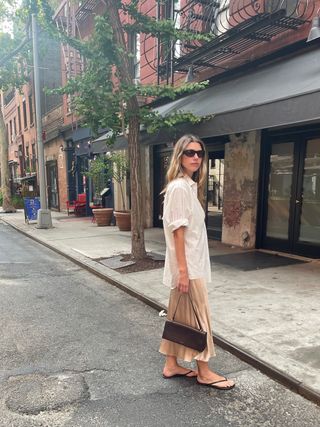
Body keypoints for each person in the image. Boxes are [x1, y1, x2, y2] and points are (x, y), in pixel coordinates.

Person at [159, 134, 235, 390]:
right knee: (201, 317)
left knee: (178, 316)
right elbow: (178, 232)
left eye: (199, 153)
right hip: (189, 267)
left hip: (188, 265)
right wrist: (183, 271)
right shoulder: (180, 188)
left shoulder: (186, 186)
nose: (195, 157)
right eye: (190, 152)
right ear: (179, 156)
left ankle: (171, 364)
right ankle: (204, 371)